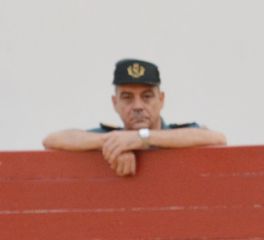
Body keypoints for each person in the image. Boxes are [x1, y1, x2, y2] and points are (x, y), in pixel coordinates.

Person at [42, 59, 226, 177]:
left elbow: (218, 139)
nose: (138, 106)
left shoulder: (180, 134)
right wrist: (114, 143)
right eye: (127, 97)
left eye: (147, 96)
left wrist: (142, 139)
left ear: (161, 100)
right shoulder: (112, 137)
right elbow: (51, 140)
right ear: (115, 103)